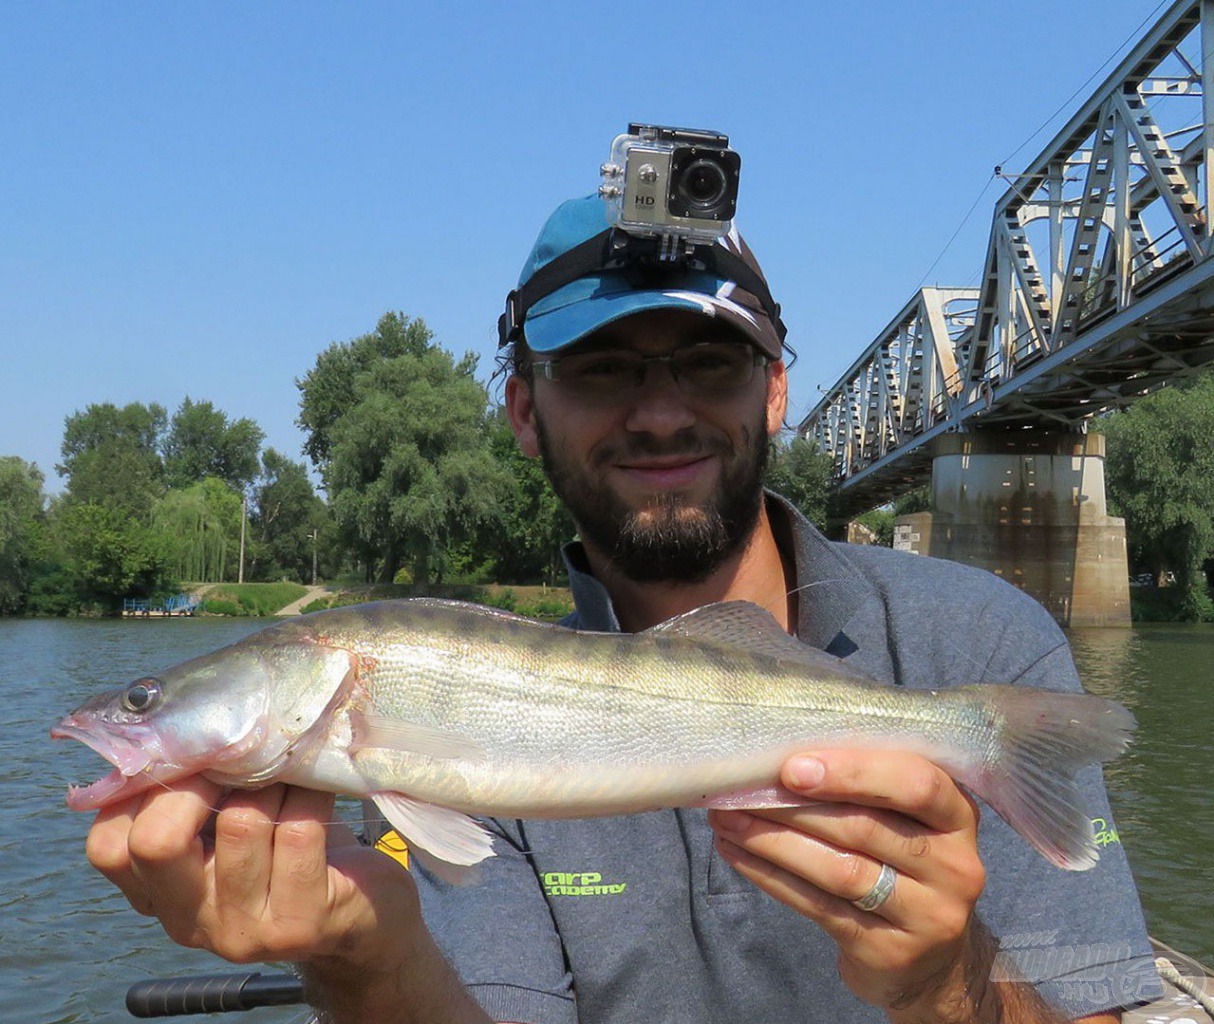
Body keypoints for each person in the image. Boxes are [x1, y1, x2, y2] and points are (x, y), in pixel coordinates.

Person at [85, 194, 1159, 1024]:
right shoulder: (439, 749)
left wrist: (945, 981)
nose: (659, 412)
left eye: (708, 362)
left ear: (774, 389)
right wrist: (358, 957)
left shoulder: (980, 642)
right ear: (521, 410)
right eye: (600, 371)